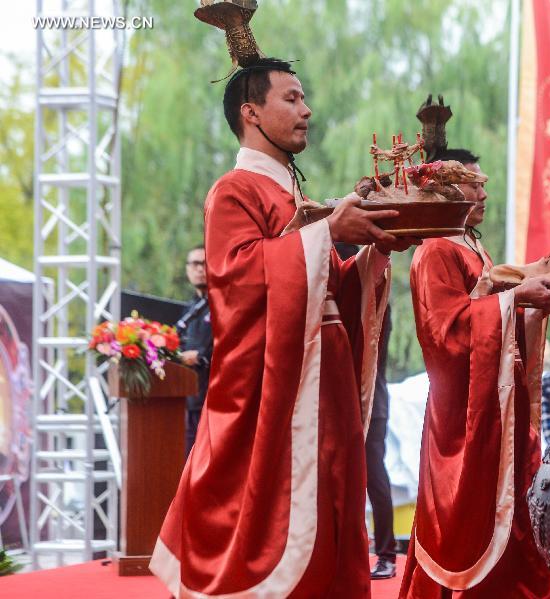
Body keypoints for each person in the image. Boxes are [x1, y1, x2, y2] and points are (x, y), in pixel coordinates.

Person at [150, 57, 417, 598]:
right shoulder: (235, 190)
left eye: (303, 97)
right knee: (280, 521)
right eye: (291, 99)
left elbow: (330, 289)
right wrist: (325, 233)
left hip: (324, 383)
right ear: (251, 113)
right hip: (279, 391)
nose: (307, 109)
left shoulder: (289, 196)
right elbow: (239, 283)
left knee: (333, 505)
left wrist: (368, 251)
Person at [400, 145, 550, 599]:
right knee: (464, 511)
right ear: (447, 190)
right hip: (464, 410)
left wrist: (526, 302)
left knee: (512, 497)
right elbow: (445, 333)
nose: (483, 193)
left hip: (496, 401)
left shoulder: (473, 246)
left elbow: (488, 311)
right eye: (474, 184)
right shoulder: (435, 250)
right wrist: (516, 300)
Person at [335, 242, 397, 580]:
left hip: (371, 399)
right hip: (336, 401)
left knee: (373, 474)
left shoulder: (372, 302)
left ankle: (386, 553)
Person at [176, 245, 213, 456]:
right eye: (195, 264)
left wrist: (201, 357)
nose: (200, 269)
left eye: (204, 263)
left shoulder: (225, 303)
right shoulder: (189, 310)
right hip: (189, 398)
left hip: (214, 401)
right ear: (187, 269)